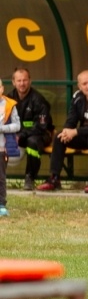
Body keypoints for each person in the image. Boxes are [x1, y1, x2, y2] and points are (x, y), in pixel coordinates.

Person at [36, 71, 88, 193]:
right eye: (84, 84)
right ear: (79, 86)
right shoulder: (77, 97)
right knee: (59, 136)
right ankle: (54, 179)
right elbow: (71, 120)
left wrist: (75, 131)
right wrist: (66, 131)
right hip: (87, 136)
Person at [7, 67, 51, 190]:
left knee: (33, 142)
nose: (22, 83)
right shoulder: (7, 99)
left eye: (25, 80)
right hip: (17, 137)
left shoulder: (39, 100)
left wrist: (21, 134)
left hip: (39, 135)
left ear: (30, 81)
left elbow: (42, 126)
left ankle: (30, 177)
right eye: (19, 80)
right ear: (13, 82)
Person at [0, 79, 21, 217]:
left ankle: (1, 205)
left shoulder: (9, 105)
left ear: (2, 88)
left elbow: (17, 126)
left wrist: (2, 128)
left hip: (2, 148)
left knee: (0, 178)